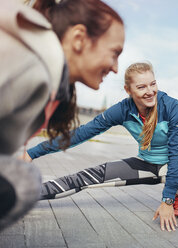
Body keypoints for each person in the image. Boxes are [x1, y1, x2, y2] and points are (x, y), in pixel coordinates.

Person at [25, 61, 178, 232]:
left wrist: (166, 200)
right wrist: (32, 153)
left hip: (177, 166)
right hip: (146, 164)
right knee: (85, 177)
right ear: (128, 90)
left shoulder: (172, 106)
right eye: (141, 87)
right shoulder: (123, 110)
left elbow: (176, 154)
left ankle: (175, 194)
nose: (150, 91)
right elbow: (82, 133)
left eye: (153, 84)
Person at [0, 0, 124, 231]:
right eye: (115, 53)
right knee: (24, 182)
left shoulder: (53, 79)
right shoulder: (30, 67)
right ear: (78, 38)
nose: (117, 68)